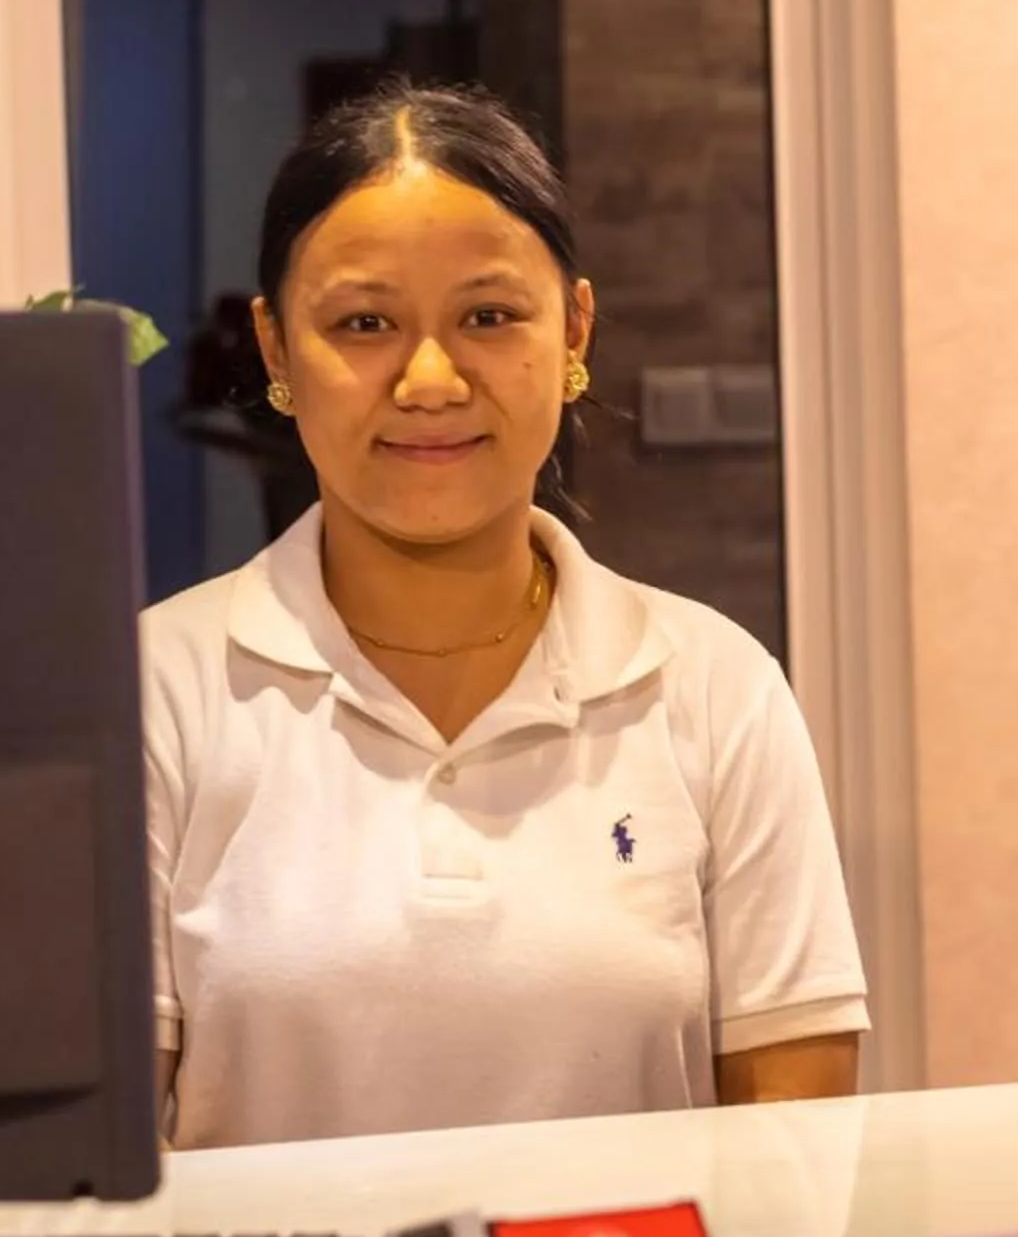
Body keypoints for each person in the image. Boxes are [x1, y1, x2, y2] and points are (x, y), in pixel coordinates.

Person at [138, 83, 869, 1149]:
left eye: (488, 316)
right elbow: (101, 1169)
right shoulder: (156, 688)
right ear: (277, 348)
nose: (430, 378)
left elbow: (799, 1145)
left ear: (573, 326)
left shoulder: (714, 683)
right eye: (364, 323)